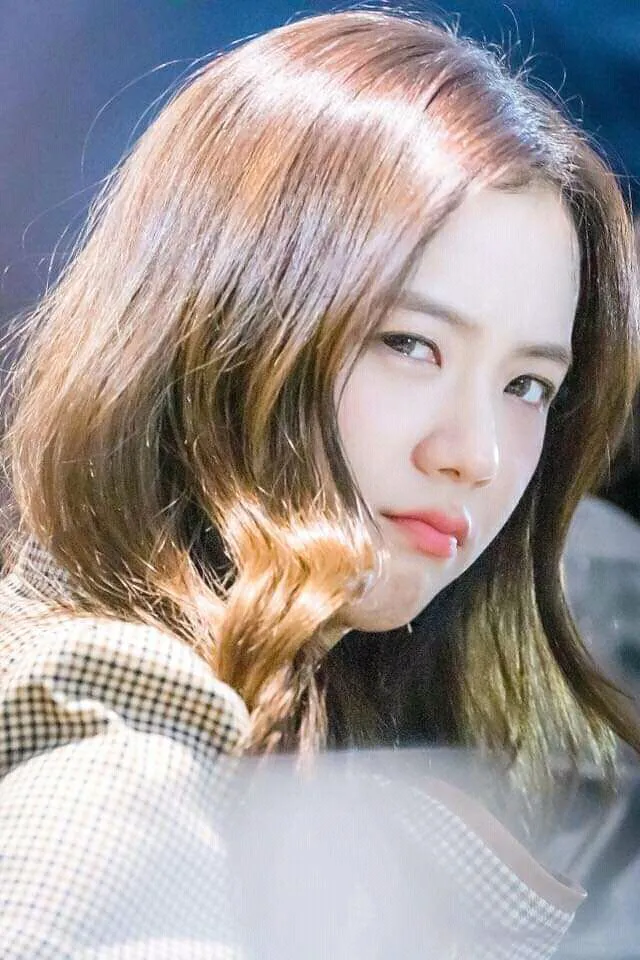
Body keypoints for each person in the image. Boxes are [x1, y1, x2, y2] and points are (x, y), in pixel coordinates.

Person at [0, 9, 638, 958]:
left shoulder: (316, 754)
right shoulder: (118, 785)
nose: (477, 454)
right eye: (409, 343)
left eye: (526, 386)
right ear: (227, 329)